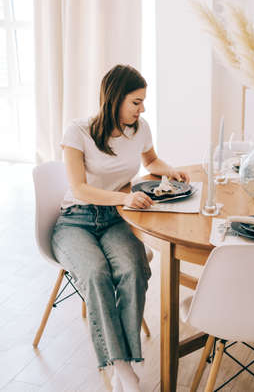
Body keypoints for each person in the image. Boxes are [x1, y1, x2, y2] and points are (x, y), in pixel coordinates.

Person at [51, 64, 190, 392]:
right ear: (114, 99)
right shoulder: (78, 131)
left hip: (116, 219)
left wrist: (172, 170)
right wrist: (124, 198)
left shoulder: (139, 129)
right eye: (136, 102)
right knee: (97, 274)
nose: (142, 109)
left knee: (134, 267)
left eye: (143, 102)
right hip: (75, 220)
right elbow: (80, 189)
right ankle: (121, 366)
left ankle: (124, 365)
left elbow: (151, 161)